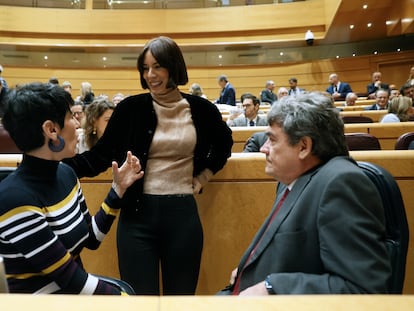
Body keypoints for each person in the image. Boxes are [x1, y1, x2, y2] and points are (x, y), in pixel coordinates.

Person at [63, 36, 233, 295]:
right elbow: (100, 156)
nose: (150, 75)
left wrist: (204, 176)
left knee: (181, 300)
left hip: (182, 216)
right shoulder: (131, 109)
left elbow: (224, 144)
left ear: (174, 67)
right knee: (139, 300)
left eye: (158, 67)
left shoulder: (202, 110)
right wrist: (56, 167)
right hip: (137, 218)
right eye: (145, 68)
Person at [218, 92, 391, 295]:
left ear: (303, 146)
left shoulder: (341, 183)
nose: (263, 149)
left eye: (272, 140)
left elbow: (362, 288)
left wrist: (273, 288)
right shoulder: (291, 180)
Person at [0, 82, 143, 294]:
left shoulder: (66, 173)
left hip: (72, 298)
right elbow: (73, 281)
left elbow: (91, 239)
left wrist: (117, 190)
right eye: (71, 118)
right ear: (51, 129)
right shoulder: (14, 199)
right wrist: (129, 302)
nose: (78, 125)